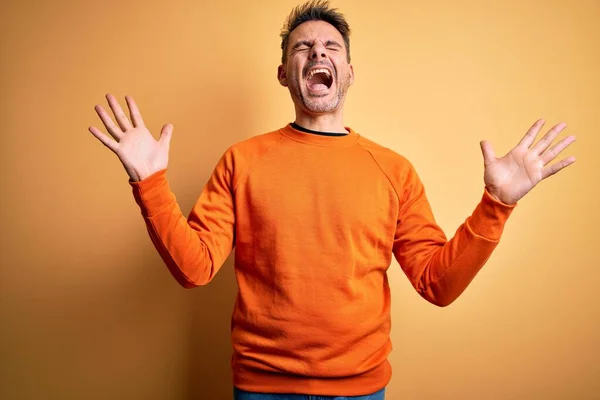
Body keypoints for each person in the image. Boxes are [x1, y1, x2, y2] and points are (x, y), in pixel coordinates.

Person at [88, 1, 576, 399]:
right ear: (284, 73)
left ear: (348, 70)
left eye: (330, 46)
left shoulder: (394, 169)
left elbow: (437, 284)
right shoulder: (242, 160)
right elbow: (194, 269)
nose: (316, 53)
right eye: (302, 47)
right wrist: (150, 182)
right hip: (262, 388)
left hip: (361, 390)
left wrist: (497, 203)